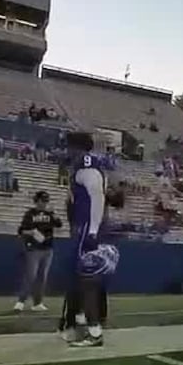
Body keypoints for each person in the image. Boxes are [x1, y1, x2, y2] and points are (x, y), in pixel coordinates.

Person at [58, 131, 113, 348]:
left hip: (88, 230)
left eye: (68, 146)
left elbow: (97, 197)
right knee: (80, 280)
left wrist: (92, 231)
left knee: (86, 281)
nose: (66, 150)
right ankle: (79, 323)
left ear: (77, 147)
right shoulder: (82, 165)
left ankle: (94, 331)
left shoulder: (86, 164)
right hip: (86, 229)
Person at [15, 191, 62, 311]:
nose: (45, 203)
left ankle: (37, 302)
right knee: (31, 275)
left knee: (42, 277)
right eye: (42, 201)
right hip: (33, 248)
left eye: (46, 201)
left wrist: (54, 214)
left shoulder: (50, 214)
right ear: (37, 201)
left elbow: (59, 224)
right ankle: (21, 301)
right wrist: (32, 232)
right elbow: (21, 230)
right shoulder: (30, 214)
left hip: (47, 248)